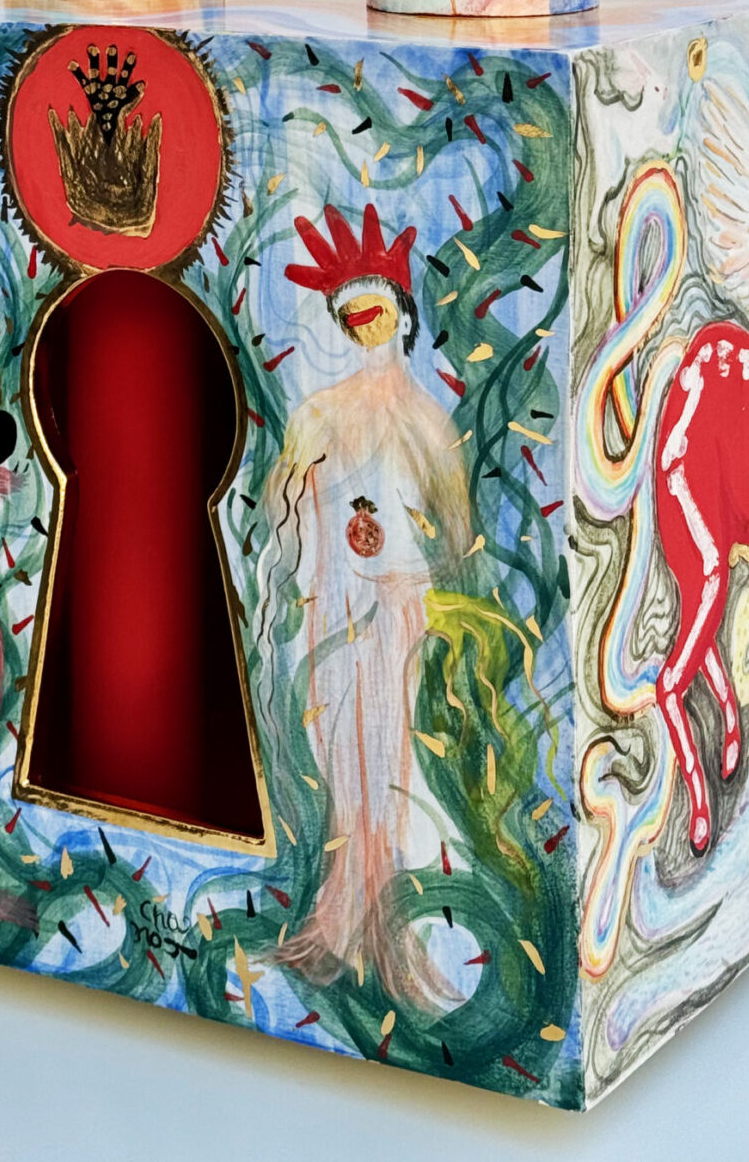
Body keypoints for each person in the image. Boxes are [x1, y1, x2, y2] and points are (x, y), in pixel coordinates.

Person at [262, 205, 470, 1007]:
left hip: (399, 611)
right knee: (339, 761)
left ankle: (387, 930)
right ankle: (337, 922)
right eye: (352, 317)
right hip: (331, 611)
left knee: (391, 766)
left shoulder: (427, 423)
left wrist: (414, 579)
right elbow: (282, 514)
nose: (366, 328)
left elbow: (456, 532)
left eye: (376, 312)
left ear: (402, 317)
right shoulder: (316, 416)